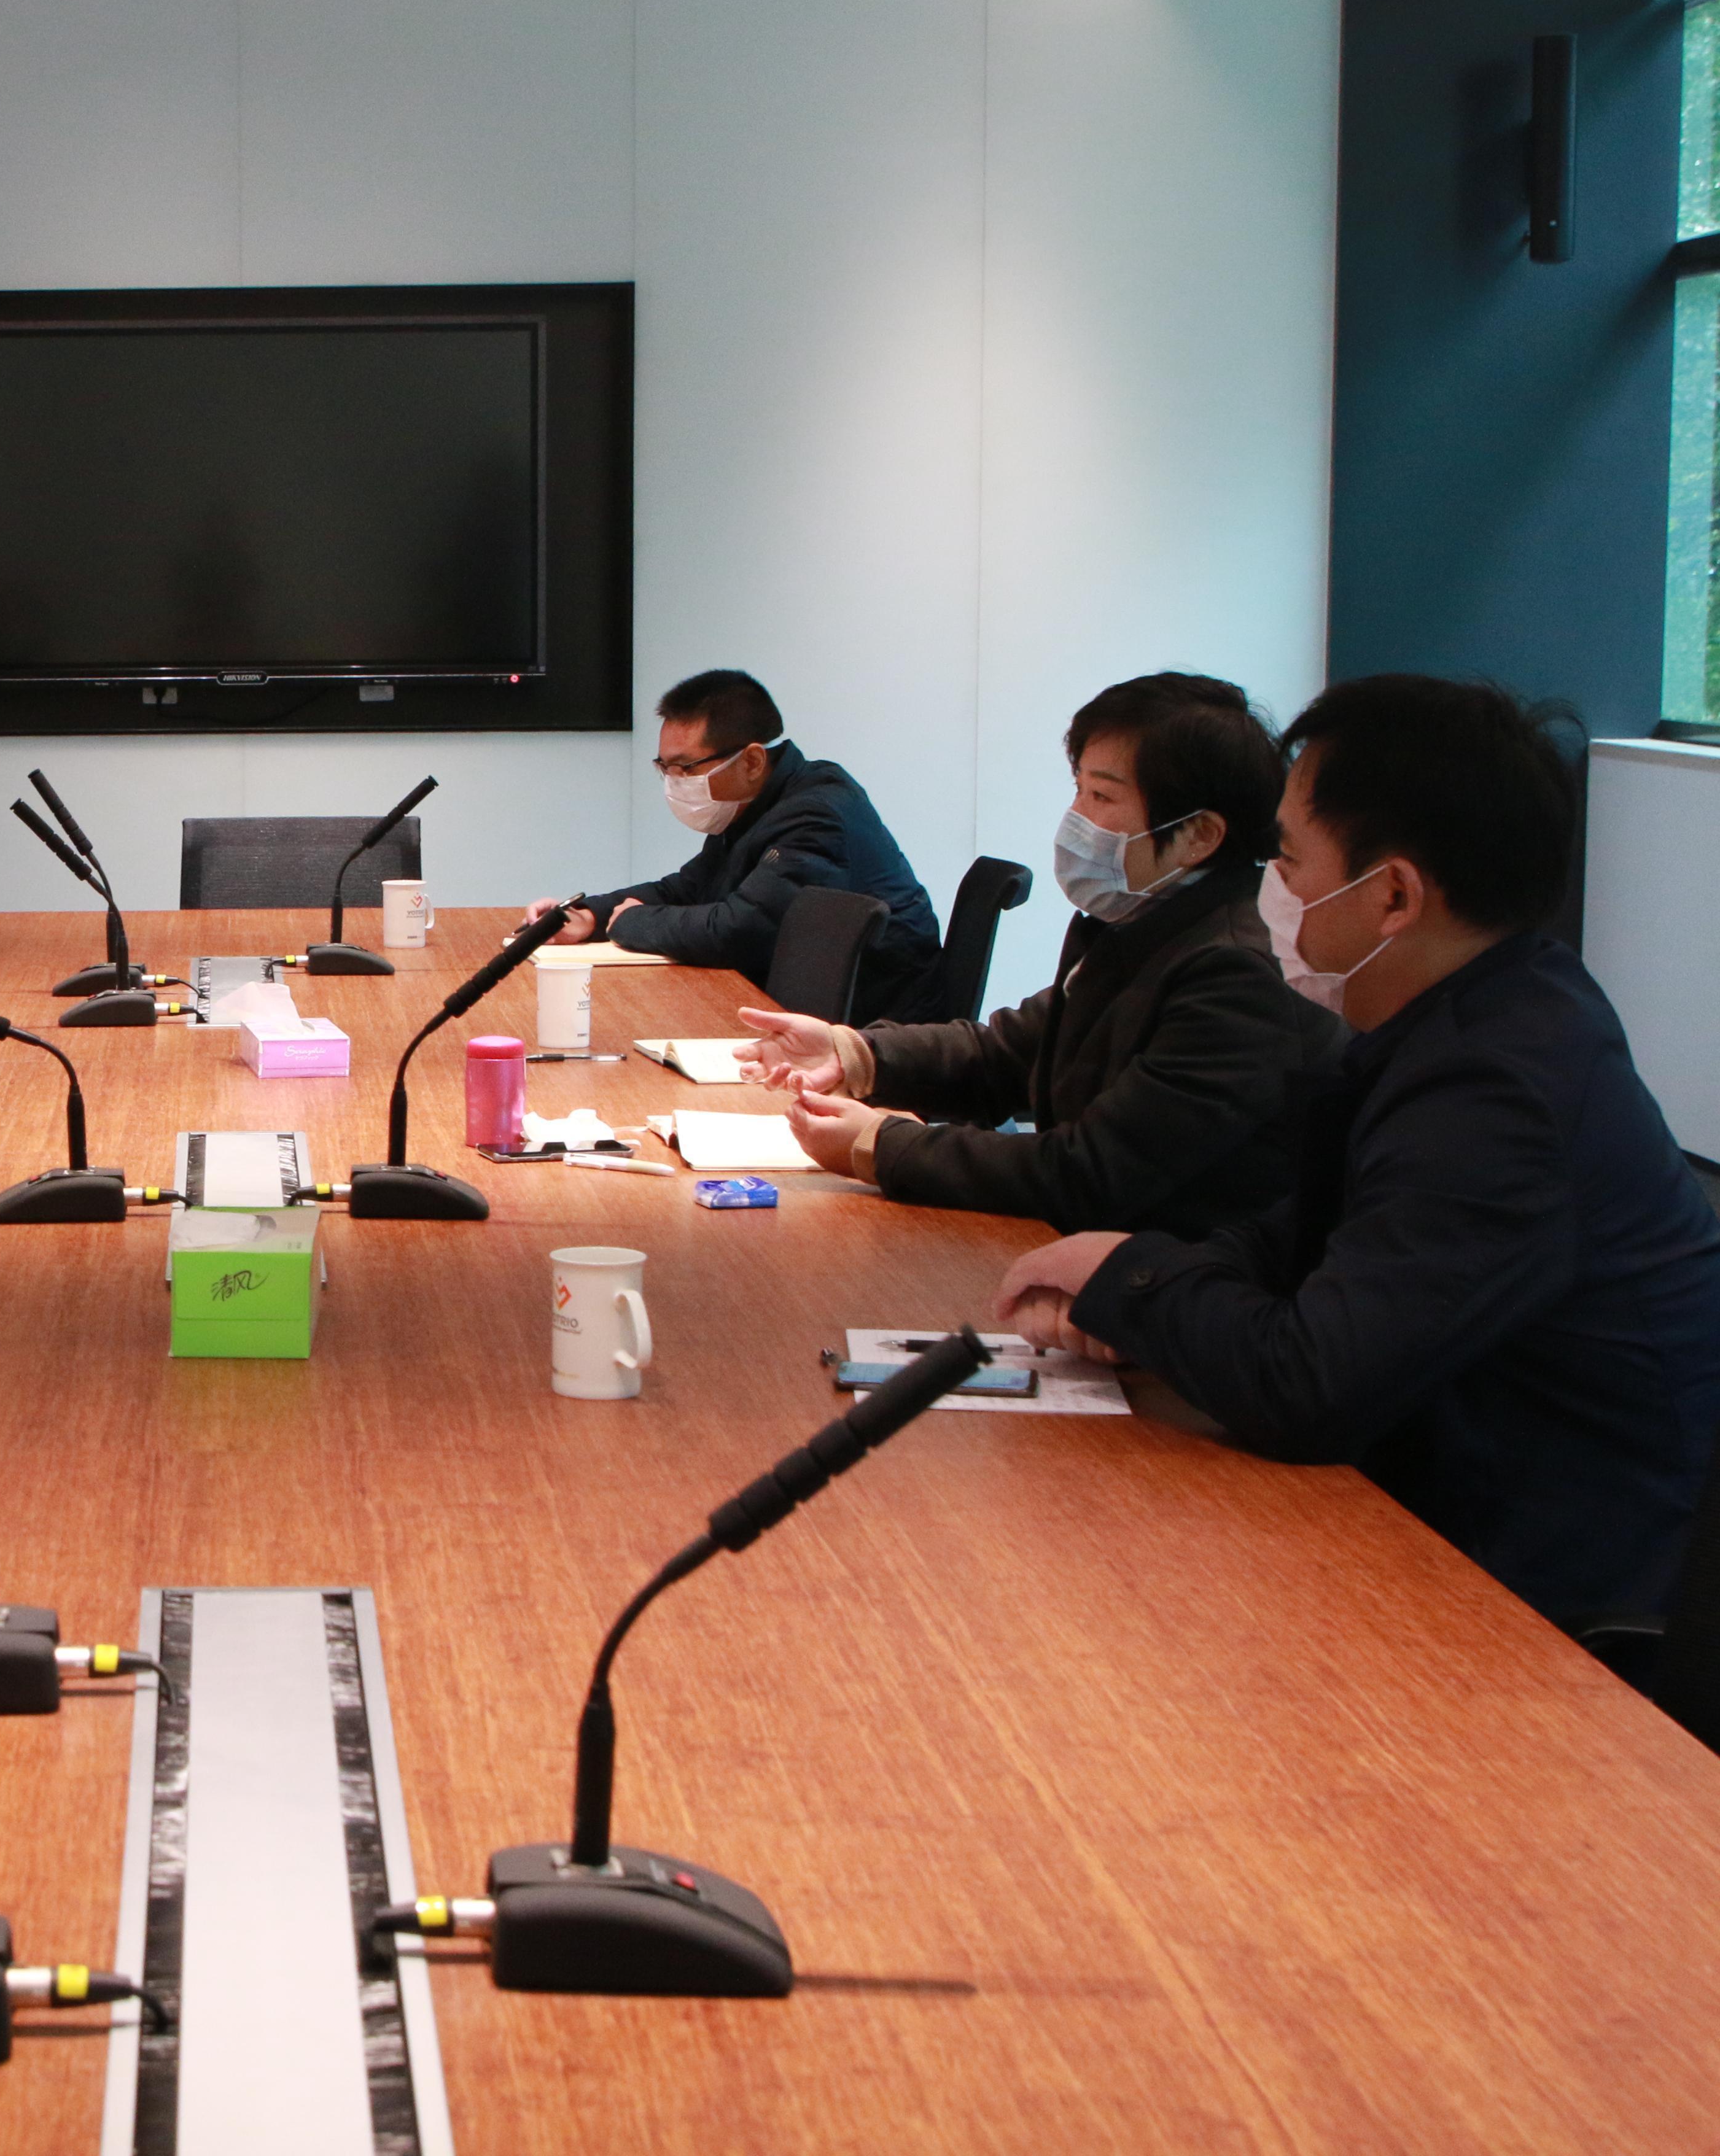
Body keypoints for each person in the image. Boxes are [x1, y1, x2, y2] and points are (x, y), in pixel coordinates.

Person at [992, 675, 1720, 1625]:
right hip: (1439, 1514)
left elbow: (1309, 1384)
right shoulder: (1471, 1018)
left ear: (1394, 896)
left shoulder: (1498, 1094)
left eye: (1290, 860)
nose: (1273, 887)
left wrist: (1128, 1283)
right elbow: (1297, 1237)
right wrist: (1140, 1286)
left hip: (1529, 1606)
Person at [736, 673, 1341, 1235]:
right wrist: (854, 1053)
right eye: (1079, 789)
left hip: (1165, 1277)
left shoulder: (1237, 971)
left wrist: (881, 1145)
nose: (1076, 817)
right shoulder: (1141, 921)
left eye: (1102, 797)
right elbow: (1010, 1051)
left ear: (1199, 835)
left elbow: (1091, 1173)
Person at [527, 669, 941, 1022]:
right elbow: (689, 889)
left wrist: (633, 923)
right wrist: (589, 915)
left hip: (877, 1031)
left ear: (752, 761)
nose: (674, 782)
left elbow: (742, 932)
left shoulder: (816, 814)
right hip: (806, 1015)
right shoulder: (753, 804)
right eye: (664, 768)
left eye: (686, 768)